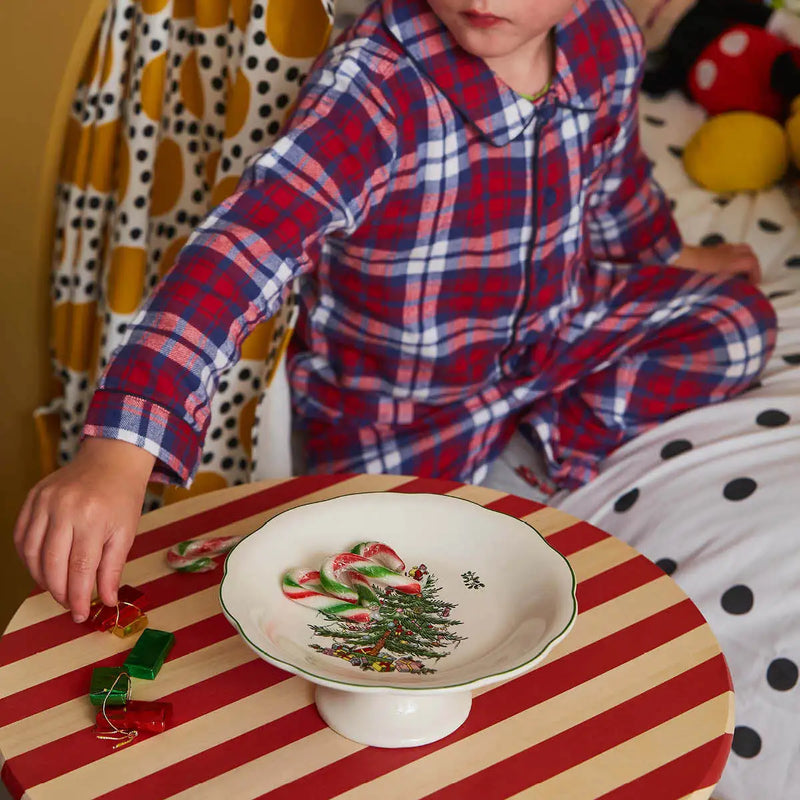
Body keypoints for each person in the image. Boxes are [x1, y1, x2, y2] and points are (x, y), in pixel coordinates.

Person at [14, 0, 775, 624]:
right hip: (403, 410)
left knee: (738, 324)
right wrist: (118, 452)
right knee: (384, 599)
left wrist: (662, 256)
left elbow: (612, 181)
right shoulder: (375, 88)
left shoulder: (606, 36)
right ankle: (487, 479)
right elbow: (242, 252)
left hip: (555, 335)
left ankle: (542, 450)